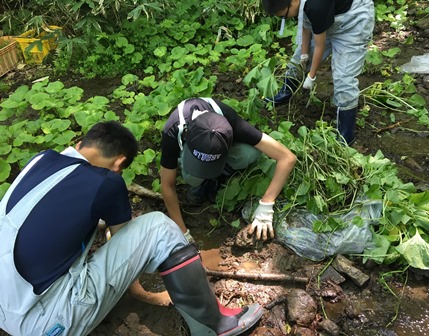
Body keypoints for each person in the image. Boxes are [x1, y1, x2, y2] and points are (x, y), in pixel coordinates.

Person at [0, 121, 263, 335]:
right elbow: (127, 241)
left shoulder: (41, 161)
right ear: (118, 164)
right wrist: (141, 290)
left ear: (80, 144)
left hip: (5, 308)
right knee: (159, 228)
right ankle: (214, 326)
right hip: (42, 323)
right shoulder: (106, 181)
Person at [160, 97, 296, 242]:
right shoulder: (174, 129)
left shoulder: (232, 122)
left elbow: (287, 158)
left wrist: (266, 205)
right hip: (191, 146)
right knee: (192, 177)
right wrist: (183, 232)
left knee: (249, 154)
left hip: (222, 146)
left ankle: (218, 175)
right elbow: (167, 184)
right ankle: (200, 181)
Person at [262, 0, 375, 144]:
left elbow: (319, 47)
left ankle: (346, 134)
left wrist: (311, 76)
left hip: (352, 22)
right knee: (296, 61)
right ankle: (286, 91)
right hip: (327, 17)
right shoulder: (301, 5)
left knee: (344, 79)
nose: (287, 18)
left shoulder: (316, 6)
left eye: (285, 15)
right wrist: (303, 55)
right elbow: (305, 25)